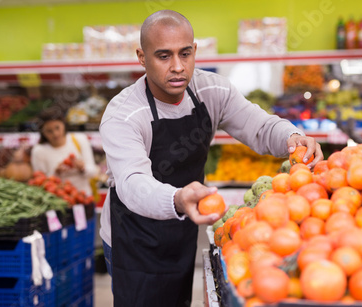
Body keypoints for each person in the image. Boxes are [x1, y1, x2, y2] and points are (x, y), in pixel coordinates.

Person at [99, 10, 323, 307]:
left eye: (185, 53)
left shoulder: (211, 89)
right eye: (163, 56)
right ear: (142, 57)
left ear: (195, 51)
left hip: (182, 226)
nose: (178, 67)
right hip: (133, 237)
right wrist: (178, 198)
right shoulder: (124, 114)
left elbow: (258, 124)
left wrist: (292, 137)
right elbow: (132, 183)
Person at [31, 109, 99, 196]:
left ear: (63, 124)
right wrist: (56, 173)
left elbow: (93, 172)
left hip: (84, 197)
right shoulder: (38, 151)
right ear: (42, 132)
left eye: (57, 127)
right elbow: (39, 183)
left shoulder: (79, 140)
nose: (55, 134)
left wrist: (82, 168)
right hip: (58, 200)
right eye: (49, 131)